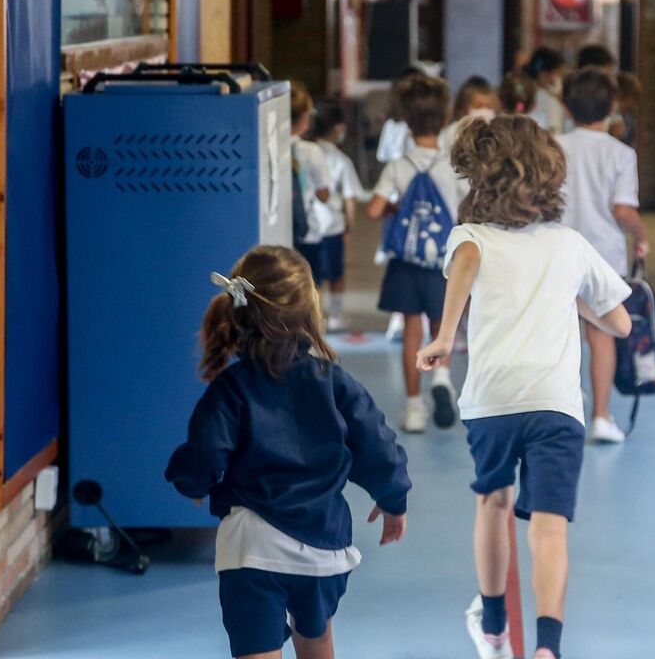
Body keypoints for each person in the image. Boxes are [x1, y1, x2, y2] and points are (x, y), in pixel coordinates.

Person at [418, 115, 633, 659]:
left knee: (492, 501)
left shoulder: (470, 238)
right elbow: (621, 324)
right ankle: (548, 647)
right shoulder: (569, 244)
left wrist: (444, 336)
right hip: (556, 405)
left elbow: (465, 267)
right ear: (547, 177)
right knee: (550, 524)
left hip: (492, 401)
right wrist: (576, 298)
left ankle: (493, 626)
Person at [165, 246, 412, 659]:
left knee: (256, 648)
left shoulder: (231, 388)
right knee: (316, 638)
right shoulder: (334, 382)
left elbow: (206, 452)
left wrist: (193, 483)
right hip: (323, 544)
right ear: (309, 315)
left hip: (252, 546)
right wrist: (393, 499)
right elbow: (376, 443)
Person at [552, 69, 648, 444]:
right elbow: (624, 210)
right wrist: (642, 238)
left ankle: (565, 410)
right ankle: (603, 417)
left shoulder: (552, 147)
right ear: (612, 107)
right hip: (603, 255)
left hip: (555, 249)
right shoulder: (621, 154)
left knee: (560, 334)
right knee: (602, 333)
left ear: (565, 105)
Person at [368, 74, 463, 433]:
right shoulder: (453, 164)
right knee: (442, 327)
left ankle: (413, 409)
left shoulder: (398, 166)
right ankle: (440, 378)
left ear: (406, 122)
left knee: (412, 330)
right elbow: (467, 208)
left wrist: (398, 208)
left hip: (406, 263)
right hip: (444, 262)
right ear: (444, 120)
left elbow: (374, 210)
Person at [307, 98, 366, 331]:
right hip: (332, 225)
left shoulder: (306, 153)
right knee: (336, 273)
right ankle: (336, 315)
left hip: (309, 226)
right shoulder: (342, 160)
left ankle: (314, 316)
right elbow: (350, 197)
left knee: (313, 276)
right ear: (338, 129)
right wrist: (349, 225)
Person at [288, 83, 338, 294]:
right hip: (306, 231)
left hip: (275, 232)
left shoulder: (265, 147)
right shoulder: (311, 152)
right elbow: (324, 194)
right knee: (308, 288)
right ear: (302, 119)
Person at [441, 75, 500, 149]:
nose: (484, 111)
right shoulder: (453, 133)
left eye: (488, 107)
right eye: (478, 106)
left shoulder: (496, 134)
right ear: (463, 107)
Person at [522, 47, 571, 133]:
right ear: (544, 74)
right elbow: (554, 133)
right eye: (560, 73)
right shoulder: (550, 101)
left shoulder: (525, 93)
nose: (562, 79)